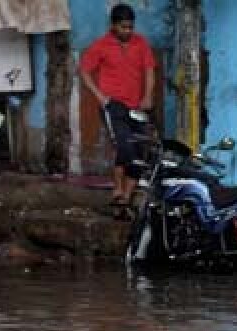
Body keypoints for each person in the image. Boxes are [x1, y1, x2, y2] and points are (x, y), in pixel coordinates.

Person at [79, 3, 157, 216]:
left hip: (137, 106)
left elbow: (149, 71)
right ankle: (118, 190)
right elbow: (84, 71)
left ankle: (125, 197)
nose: (128, 31)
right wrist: (100, 96)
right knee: (124, 147)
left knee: (140, 152)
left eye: (130, 27)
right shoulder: (101, 45)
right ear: (113, 26)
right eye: (123, 27)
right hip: (113, 105)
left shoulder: (141, 43)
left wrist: (148, 95)